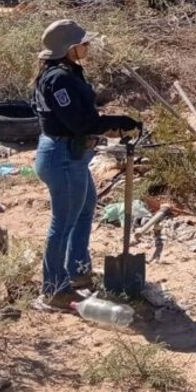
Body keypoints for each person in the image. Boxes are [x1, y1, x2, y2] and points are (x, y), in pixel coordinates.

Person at [31, 19, 141, 310]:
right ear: (70, 49)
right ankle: (54, 289)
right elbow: (79, 122)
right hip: (62, 157)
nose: (87, 46)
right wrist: (116, 122)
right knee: (63, 223)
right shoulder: (59, 79)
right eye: (83, 43)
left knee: (84, 209)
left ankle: (77, 271)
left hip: (69, 156)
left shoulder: (65, 74)